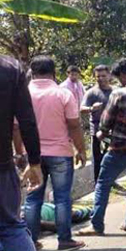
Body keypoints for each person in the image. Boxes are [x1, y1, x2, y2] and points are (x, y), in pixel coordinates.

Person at [77, 59, 126, 236]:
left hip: (119, 148)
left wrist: (101, 134)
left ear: (123, 75)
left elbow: (105, 123)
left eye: (118, 77)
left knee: (103, 184)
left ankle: (97, 225)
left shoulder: (118, 94)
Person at [25, 56, 86, 251]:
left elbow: (16, 127)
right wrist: (81, 150)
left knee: (33, 198)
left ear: (32, 72)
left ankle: (30, 242)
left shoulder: (24, 93)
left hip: (32, 156)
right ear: (54, 72)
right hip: (60, 153)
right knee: (62, 198)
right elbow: (75, 125)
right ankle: (65, 240)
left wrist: (20, 153)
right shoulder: (63, 94)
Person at [0, 55, 43, 251]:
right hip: (2, 165)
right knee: (10, 227)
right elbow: (27, 120)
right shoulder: (10, 68)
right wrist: (34, 162)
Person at [80, 65, 114, 183]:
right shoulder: (92, 93)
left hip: (113, 131)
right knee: (97, 159)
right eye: (98, 76)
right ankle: (97, 183)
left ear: (109, 76)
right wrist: (91, 108)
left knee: (111, 158)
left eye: (103, 76)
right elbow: (81, 108)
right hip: (97, 131)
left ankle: (111, 181)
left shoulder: (115, 91)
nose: (101, 78)